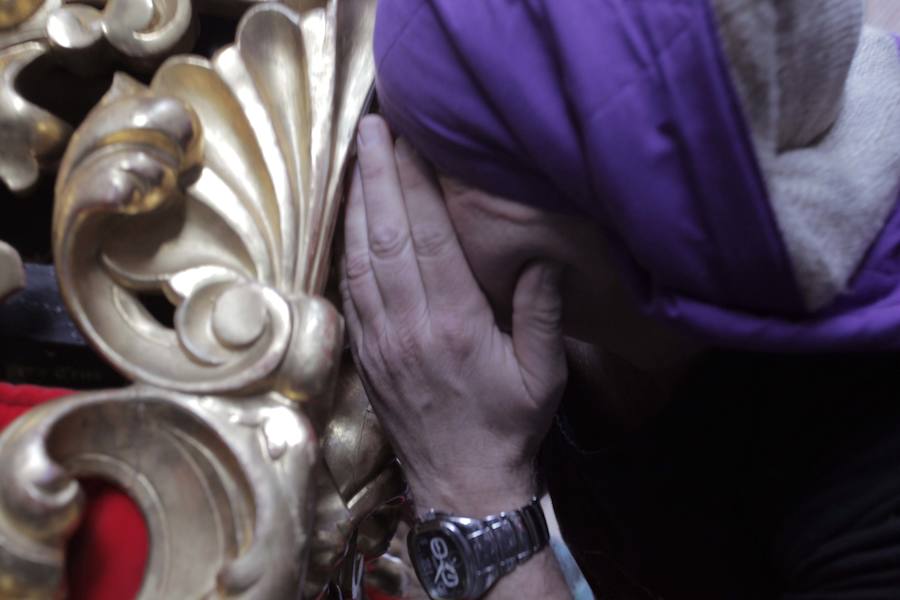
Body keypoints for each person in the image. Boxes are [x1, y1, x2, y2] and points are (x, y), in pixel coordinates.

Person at [340, 1, 900, 598]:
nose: (395, 186)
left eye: (438, 159)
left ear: (615, 204)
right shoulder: (597, 287)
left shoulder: (871, 481)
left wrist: (473, 495)